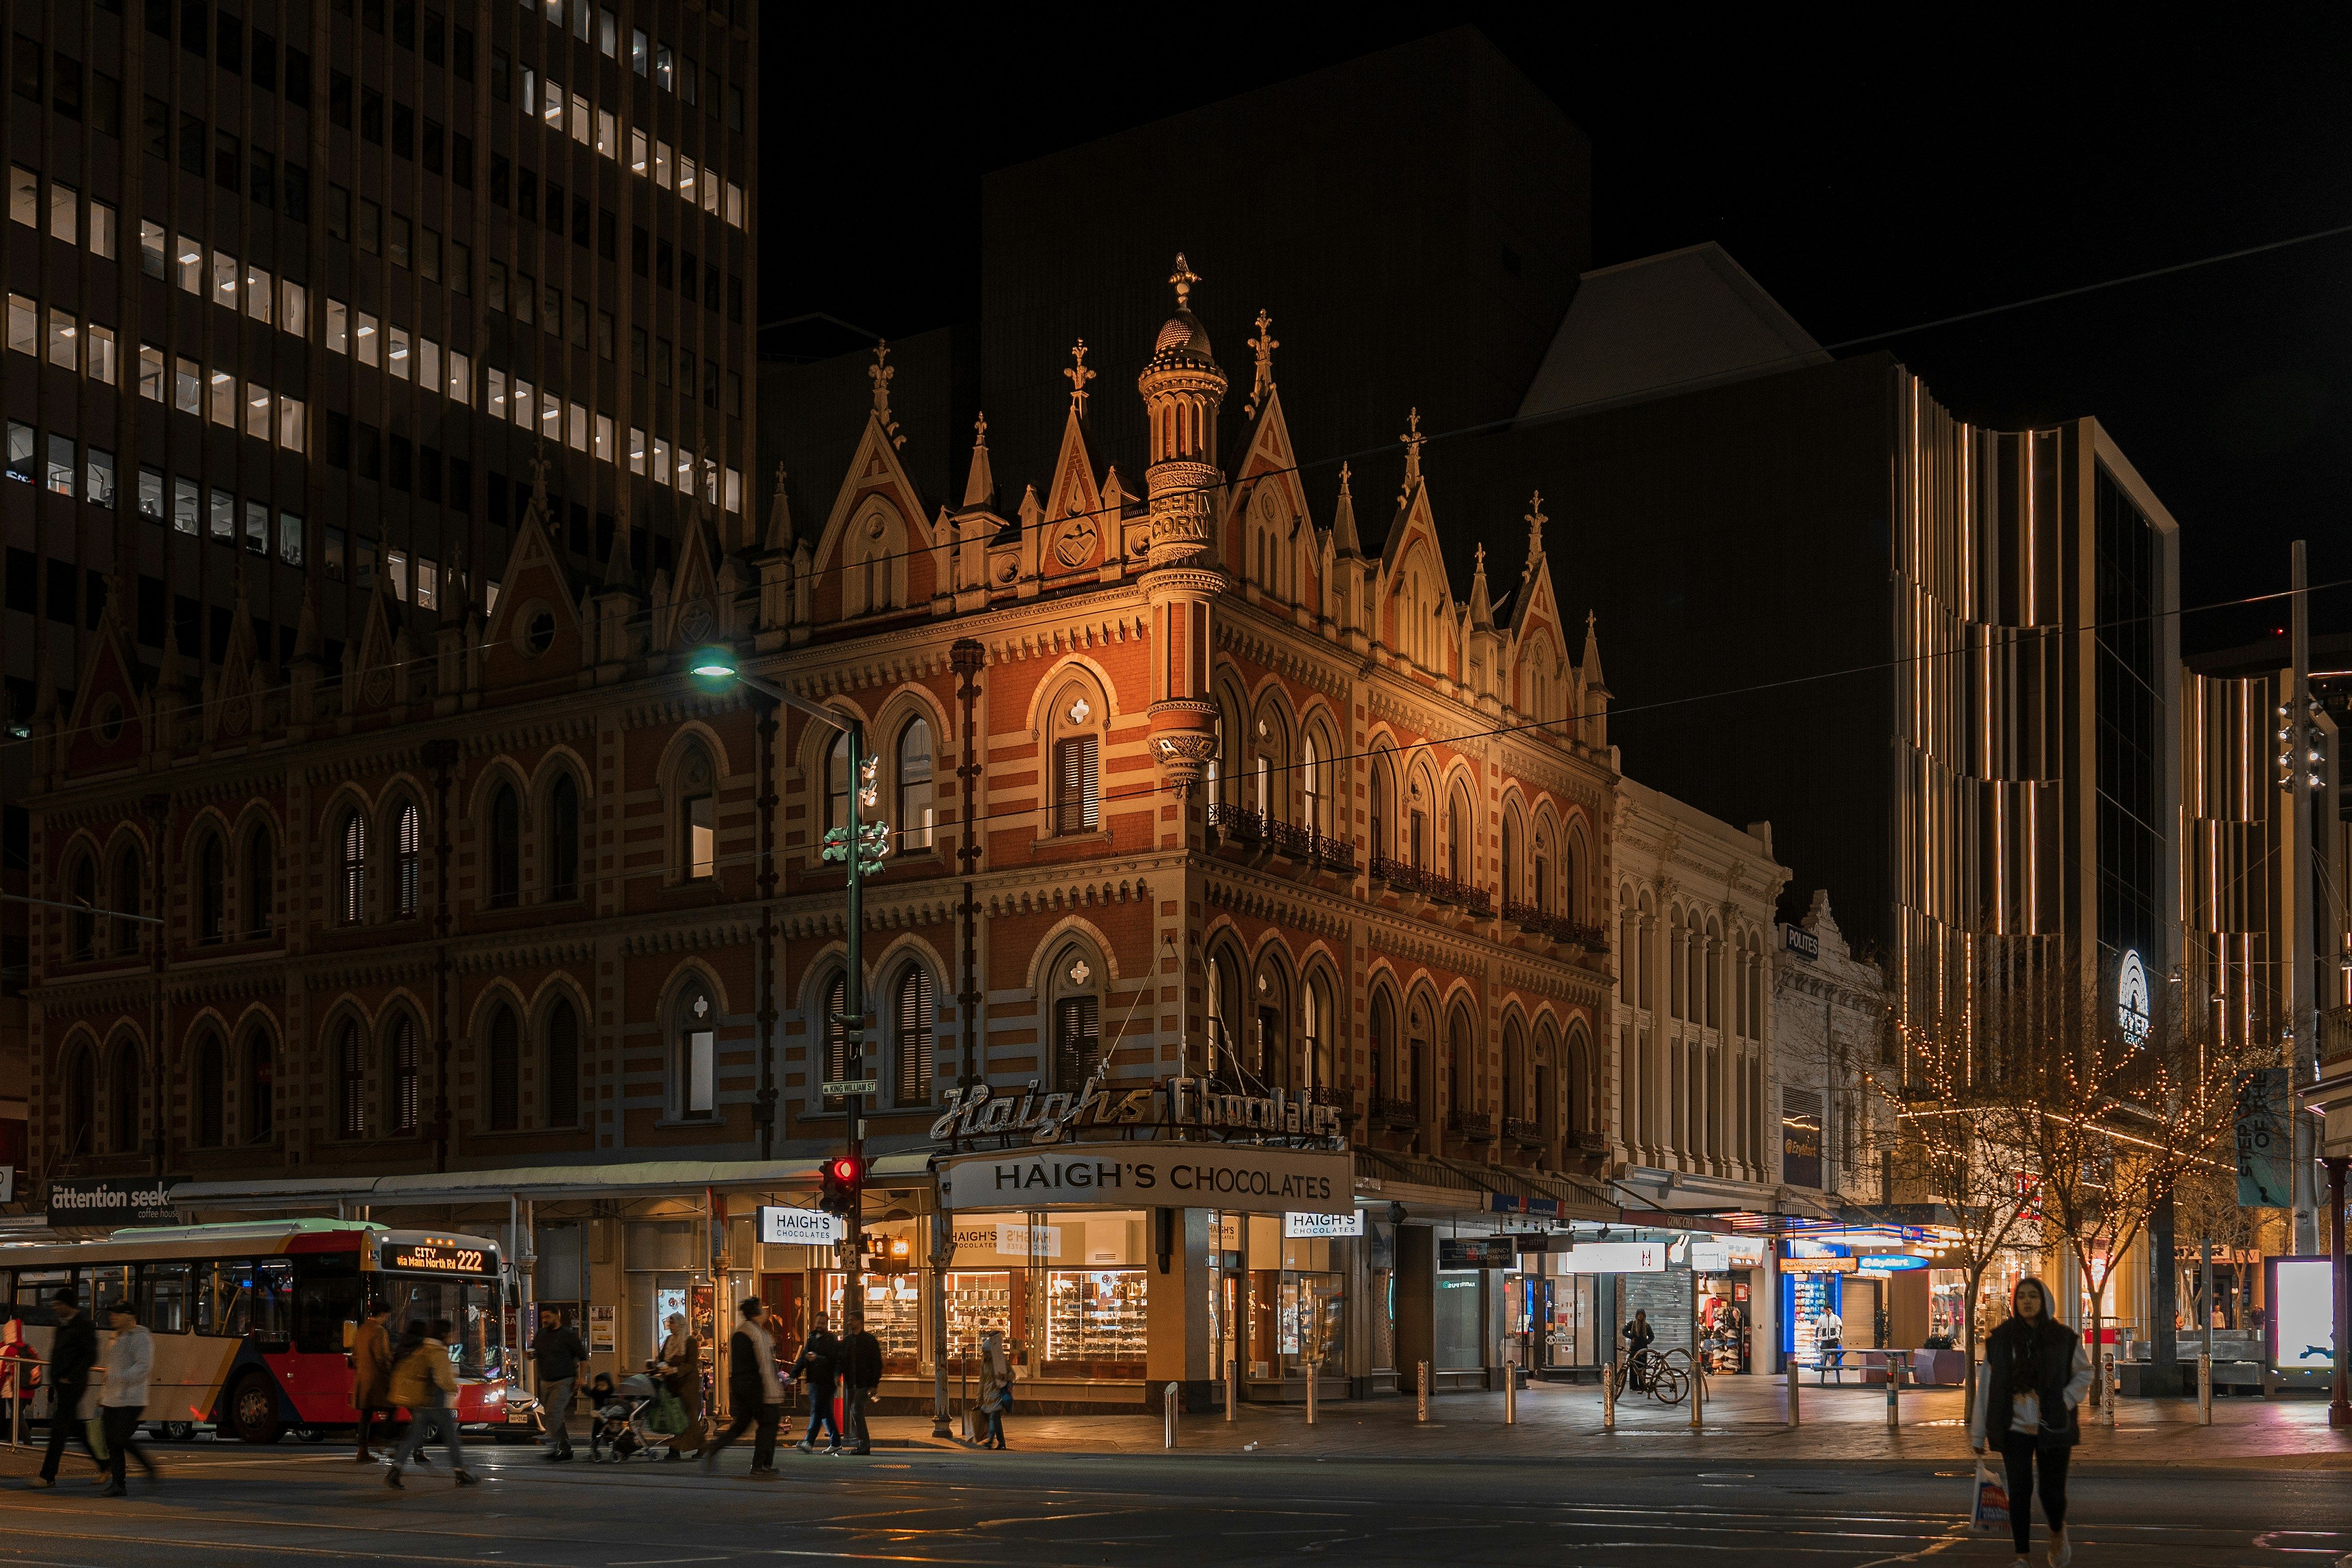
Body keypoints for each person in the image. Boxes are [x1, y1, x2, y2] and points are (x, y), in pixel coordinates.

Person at [1971, 1277, 2090, 1568]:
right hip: (2014, 1428)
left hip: (2053, 1426)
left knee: (2051, 1492)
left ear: (2045, 1301)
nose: (2027, 1302)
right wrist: (1978, 1433)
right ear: (2014, 1302)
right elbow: (1986, 1386)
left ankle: (2057, 1532)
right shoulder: (2001, 1339)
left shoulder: (2063, 1338)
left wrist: (2064, 1400)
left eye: (2033, 1296)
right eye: (2021, 1296)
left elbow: (2085, 1372)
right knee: (2020, 1491)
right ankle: (2022, 1556)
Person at [386, 1318, 478, 1488]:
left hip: (421, 1401)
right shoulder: (437, 1352)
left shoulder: (422, 1350)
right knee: (451, 1438)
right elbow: (444, 1379)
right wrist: (453, 1388)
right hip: (436, 1402)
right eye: (450, 1333)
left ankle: (396, 1470)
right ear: (443, 1334)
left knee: (413, 1436)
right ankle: (460, 1472)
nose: (451, 1336)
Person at [701, 1299, 785, 1476]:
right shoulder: (755, 1333)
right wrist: (773, 1390)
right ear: (757, 1313)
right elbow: (764, 1365)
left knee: (742, 1424)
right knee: (769, 1422)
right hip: (756, 1385)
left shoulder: (742, 1331)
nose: (766, 1312)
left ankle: (714, 1448)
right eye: (762, 1309)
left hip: (742, 1384)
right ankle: (761, 1465)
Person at [33, 1290, 100, 1489]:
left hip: (73, 1384)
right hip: (62, 1384)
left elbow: (90, 1356)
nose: (55, 1308)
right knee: (76, 1429)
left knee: (59, 1430)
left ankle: (48, 1475)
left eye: (58, 1305)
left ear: (68, 1305)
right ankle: (105, 1465)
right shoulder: (62, 1325)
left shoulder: (83, 1326)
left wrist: (71, 1376)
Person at [95, 1300, 160, 1496]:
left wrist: (118, 1378)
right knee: (112, 1442)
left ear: (130, 1317)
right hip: (111, 1398)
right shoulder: (114, 1337)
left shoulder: (140, 1337)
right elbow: (112, 1369)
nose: (112, 1316)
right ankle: (118, 1484)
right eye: (112, 1313)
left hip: (132, 1399)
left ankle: (147, 1465)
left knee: (119, 1438)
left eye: (117, 1313)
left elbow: (144, 1367)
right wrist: (103, 1393)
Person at [533, 1309, 587, 1462]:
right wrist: (530, 1354)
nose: (545, 1320)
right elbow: (534, 1351)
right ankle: (565, 1448)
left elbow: (583, 1357)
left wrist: (582, 1378)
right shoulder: (541, 1335)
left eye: (548, 1316)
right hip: (546, 1381)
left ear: (558, 1316)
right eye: (543, 1317)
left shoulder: (568, 1335)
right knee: (552, 1415)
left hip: (564, 1380)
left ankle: (555, 1446)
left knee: (554, 1413)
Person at [789, 1311, 843, 1454]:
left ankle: (809, 1441)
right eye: (818, 1323)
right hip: (814, 1381)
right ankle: (836, 1442)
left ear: (827, 1324)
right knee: (825, 1413)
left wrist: (817, 1358)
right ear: (814, 1323)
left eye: (823, 1323)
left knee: (817, 1411)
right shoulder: (812, 1338)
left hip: (826, 1382)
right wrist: (793, 1374)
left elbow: (833, 1361)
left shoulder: (831, 1340)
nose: (820, 1325)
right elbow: (803, 1358)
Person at [350, 1300, 394, 1463]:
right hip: (376, 1380)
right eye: (387, 1316)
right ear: (382, 1314)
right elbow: (382, 1358)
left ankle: (363, 1450)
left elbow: (355, 1355)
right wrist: (390, 1374)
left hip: (362, 1379)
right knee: (391, 1407)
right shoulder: (379, 1332)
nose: (387, 1319)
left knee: (366, 1415)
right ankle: (379, 1438)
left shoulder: (362, 1330)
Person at [657, 1312, 703, 1459]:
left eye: (673, 1323)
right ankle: (677, 1450)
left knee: (689, 1416)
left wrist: (676, 1370)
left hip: (688, 1384)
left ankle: (679, 1450)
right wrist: (659, 1366)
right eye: (670, 1323)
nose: (670, 1326)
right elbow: (662, 1358)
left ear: (681, 1324)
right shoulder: (669, 1340)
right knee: (676, 1417)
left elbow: (691, 1363)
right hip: (673, 1383)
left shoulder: (690, 1341)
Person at [839, 1317, 881, 1457]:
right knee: (856, 1411)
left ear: (861, 1323)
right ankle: (861, 1442)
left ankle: (864, 1444)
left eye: (853, 1320)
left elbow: (876, 1364)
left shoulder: (869, 1340)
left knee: (856, 1410)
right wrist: (837, 1374)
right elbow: (842, 1360)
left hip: (863, 1384)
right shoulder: (848, 1341)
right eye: (849, 1320)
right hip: (852, 1383)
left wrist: (874, 1384)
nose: (850, 1322)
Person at [975, 1330, 1013, 1451]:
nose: (985, 1355)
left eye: (987, 1353)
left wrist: (1004, 1377)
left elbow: (1012, 1374)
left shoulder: (1000, 1362)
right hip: (987, 1395)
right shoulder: (984, 1364)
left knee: (993, 1417)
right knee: (996, 1420)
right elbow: (982, 1381)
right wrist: (980, 1397)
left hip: (997, 1393)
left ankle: (990, 1440)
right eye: (984, 1353)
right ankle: (1002, 1442)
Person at [1623, 1309, 1655, 1390]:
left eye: (1642, 1314)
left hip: (1643, 1350)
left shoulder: (1647, 1326)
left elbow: (1652, 1336)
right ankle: (1634, 1386)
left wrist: (1647, 1342)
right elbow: (1624, 1331)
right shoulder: (1632, 1324)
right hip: (1634, 1349)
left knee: (1642, 1368)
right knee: (1633, 1368)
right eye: (1639, 1314)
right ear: (1636, 1315)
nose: (1640, 1316)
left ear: (1644, 1316)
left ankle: (1642, 1386)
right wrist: (1631, 1337)